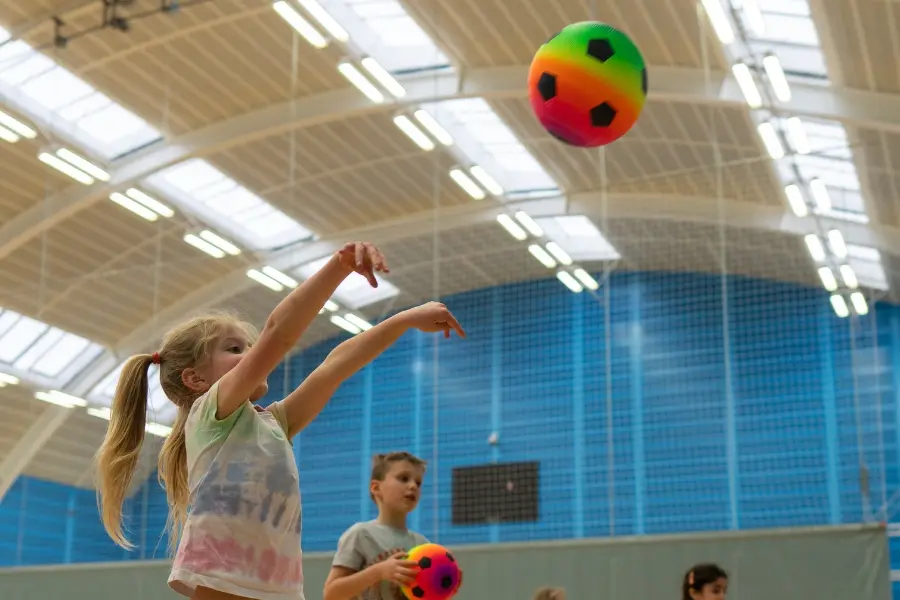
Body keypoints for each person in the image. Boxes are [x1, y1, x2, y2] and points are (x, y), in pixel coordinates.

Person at [95, 241, 466, 600]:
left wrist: (403, 320)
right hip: (224, 580)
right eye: (236, 349)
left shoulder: (274, 424)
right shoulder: (210, 414)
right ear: (196, 379)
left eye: (250, 347)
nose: (254, 354)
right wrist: (339, 266)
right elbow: (279, 333)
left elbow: (335, 367)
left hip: (278, 586)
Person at [324, 451, 433, 600]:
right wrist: (379, 572)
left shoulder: (423, 545)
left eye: (418, 482)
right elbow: (331, 594)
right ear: (376, 488)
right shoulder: (361, 534)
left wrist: (444, 584)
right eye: (404, 478)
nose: (413, 485)